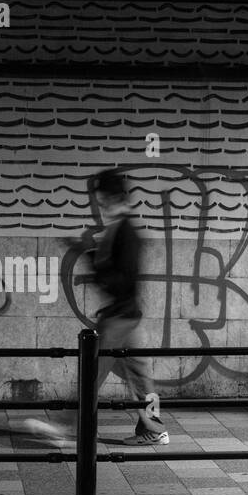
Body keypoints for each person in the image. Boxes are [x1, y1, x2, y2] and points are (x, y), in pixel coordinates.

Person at [25, 169, 168, 446]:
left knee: (91, 375)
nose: (99, 204)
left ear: (111, 196)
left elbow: (121, 280)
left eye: (101, 197)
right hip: (126, 315)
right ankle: (154, 428)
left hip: (118, 317)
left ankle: (64, 430)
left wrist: (91, 258)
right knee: (141, 379)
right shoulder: (121, 228)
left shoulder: (124, 232)